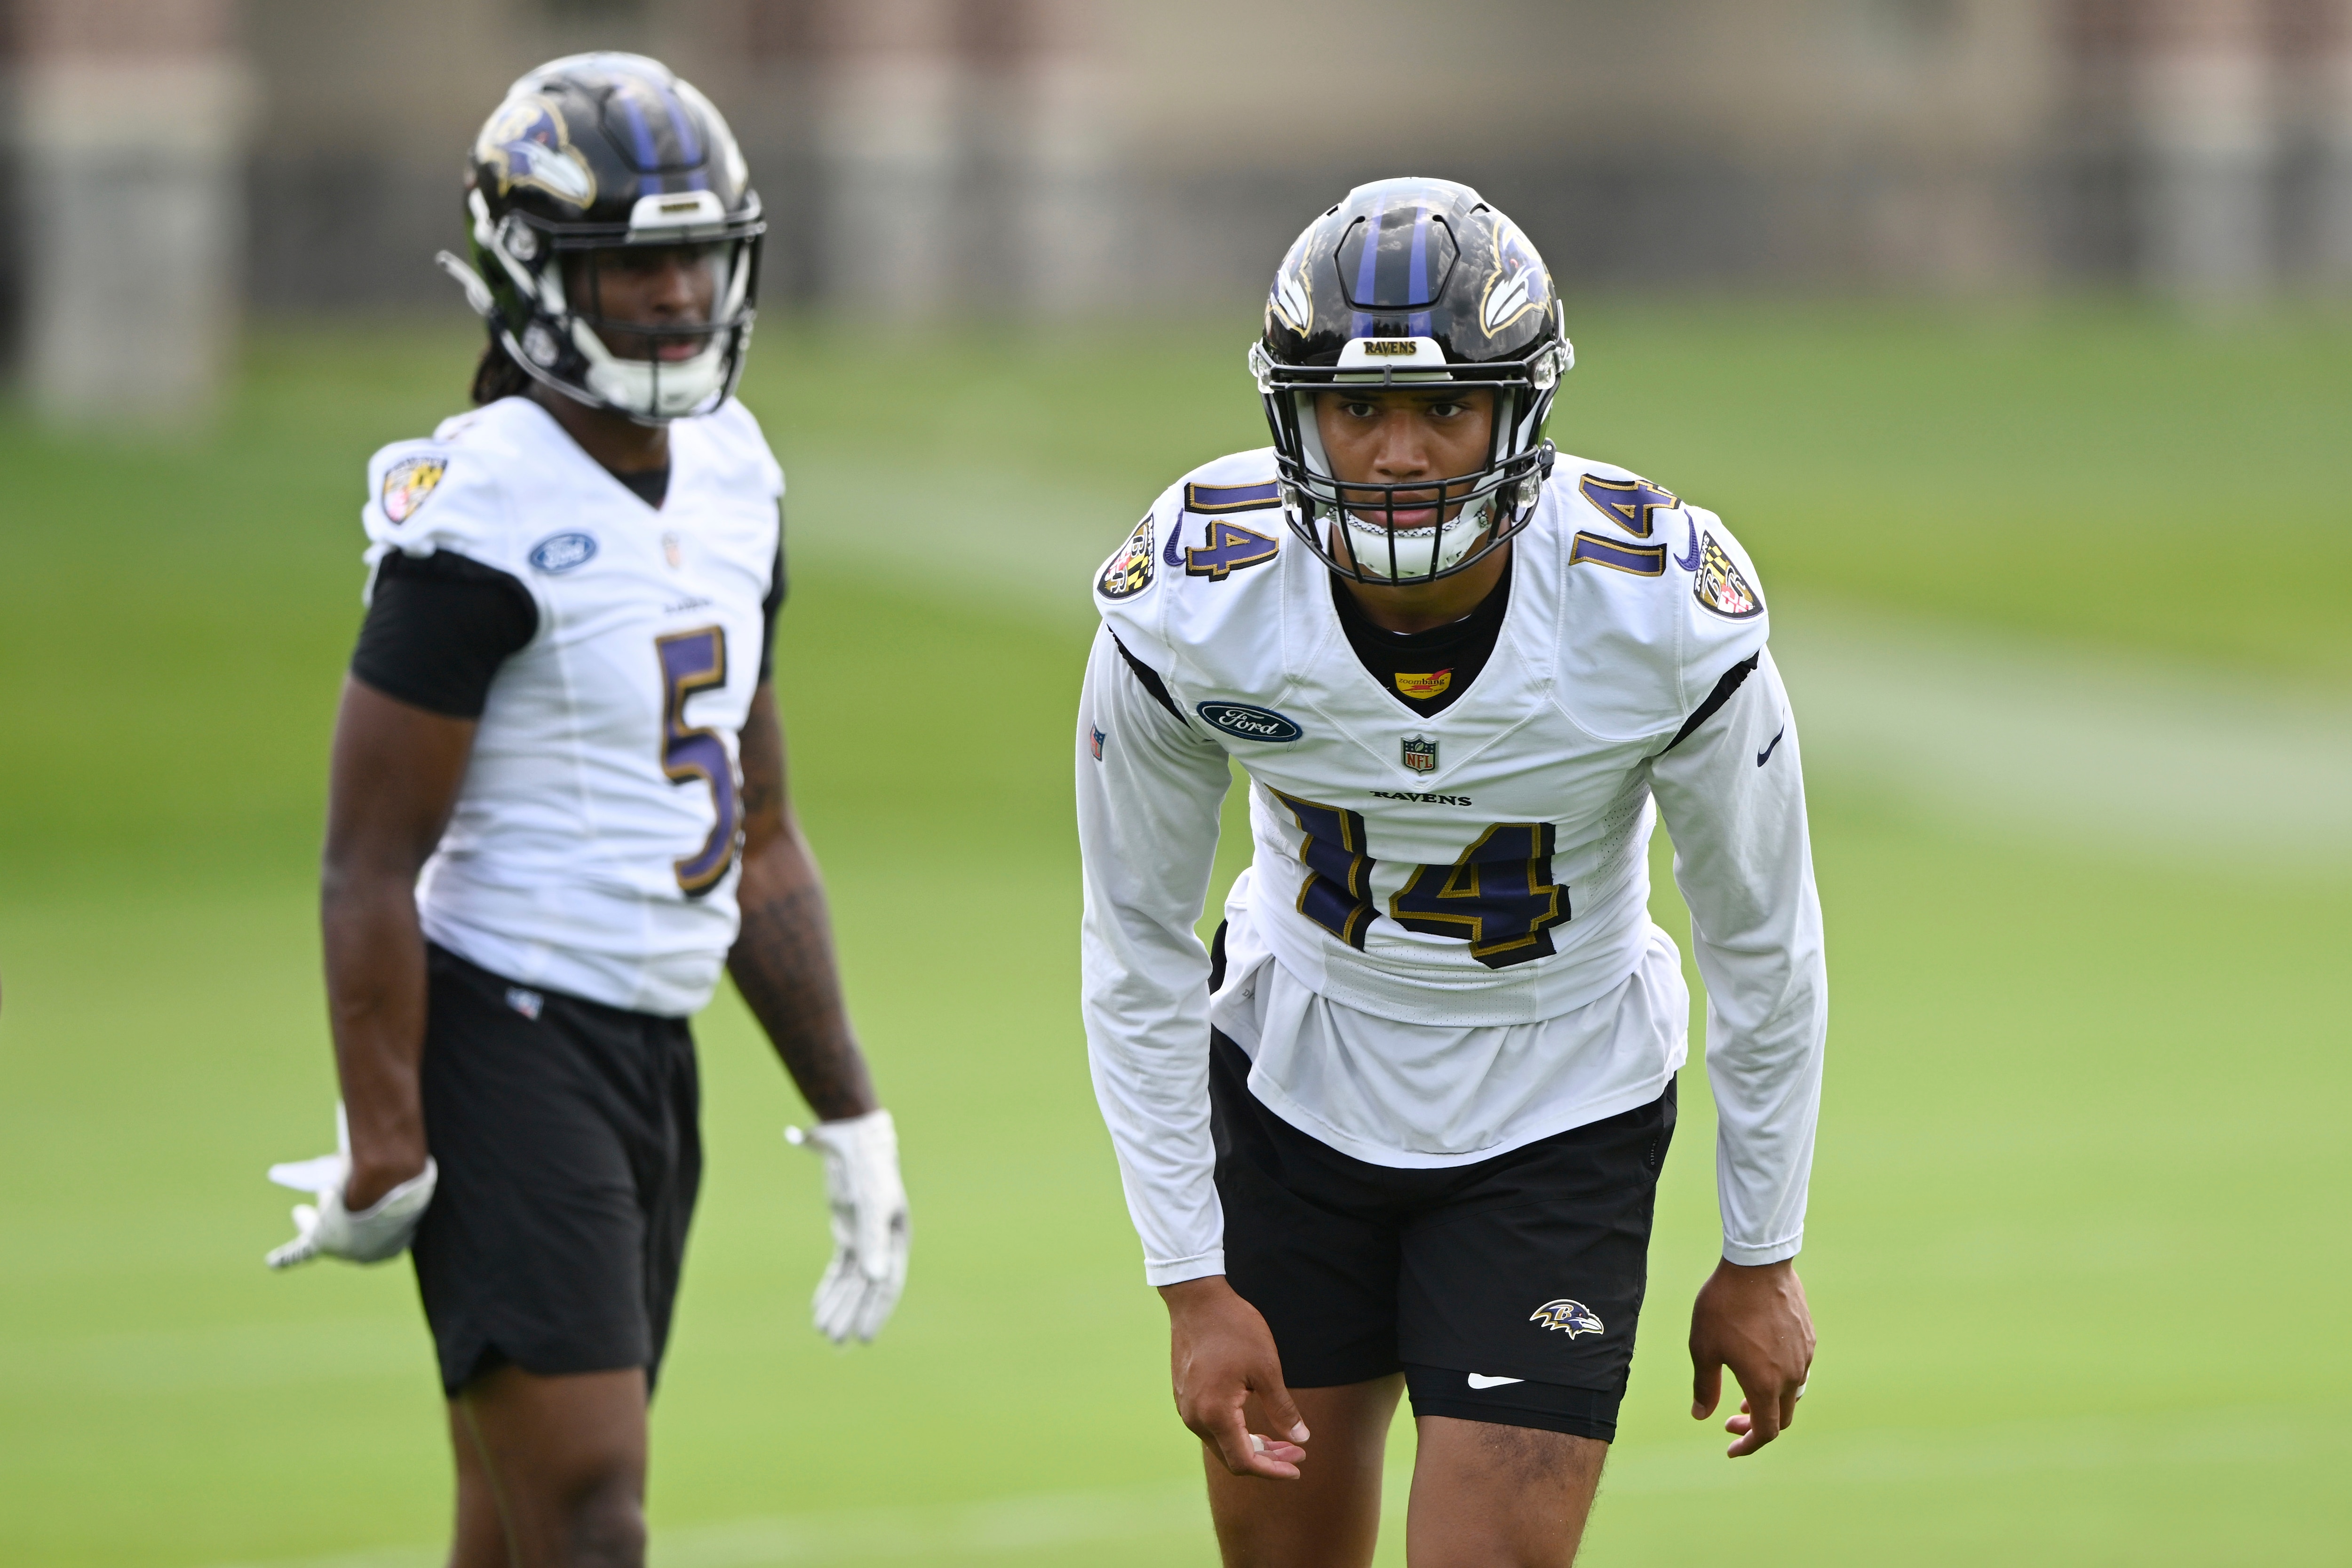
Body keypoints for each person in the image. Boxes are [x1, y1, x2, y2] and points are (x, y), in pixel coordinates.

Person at [1075, 178, 1824, 1567]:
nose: (1400, 453)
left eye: (1445, 407)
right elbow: (1136, 941)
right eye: (1358, 408)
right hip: (1295, 1080)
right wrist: (1188, 1278)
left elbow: (1761, 940)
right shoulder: (1196, 595)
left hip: (1561, 1096)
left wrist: (1761, 1247)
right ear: (1298, 417)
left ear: (1517, 413)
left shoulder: (1656, 605)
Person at [259, 54, 908, 1568]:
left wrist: (851, 1108)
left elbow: (754, 833)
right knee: (591, 1520)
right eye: (632, 262)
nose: (678, 293)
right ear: (532, 275)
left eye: (698, 257)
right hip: (507, 1034)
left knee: (514, 1531)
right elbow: (369, 860)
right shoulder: (480, 505)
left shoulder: (735, 472)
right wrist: (389, 1133)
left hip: (649, 1052)